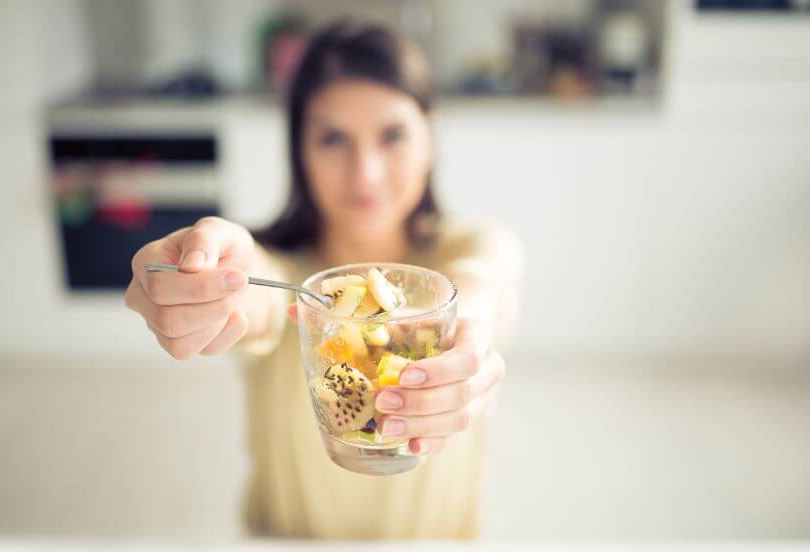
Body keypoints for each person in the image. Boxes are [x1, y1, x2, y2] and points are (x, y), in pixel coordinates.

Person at [125, 20, 523, 539]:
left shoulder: (475, 244)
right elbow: (256, 293)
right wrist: (215, 280)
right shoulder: (289, 279)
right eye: (333, 138)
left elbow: (480, 287)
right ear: (299, 153)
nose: (366, 172)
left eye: (393, 135)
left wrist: (464, 333)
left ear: (431, 137)